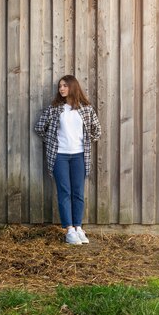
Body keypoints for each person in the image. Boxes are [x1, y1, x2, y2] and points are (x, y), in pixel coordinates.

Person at [34, 75, 101, 245]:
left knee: (78, 193)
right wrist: (51, 141)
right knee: (65, 192)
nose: (61, 89)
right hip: (60, 157)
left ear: (73, 87)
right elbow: (40, 127)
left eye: (65, 85)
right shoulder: (55, 108)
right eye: (60, 86)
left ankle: (79, 228)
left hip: (79, 156)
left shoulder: (86, 109)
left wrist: (85, 140)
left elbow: (97, 131)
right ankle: (69, 230)